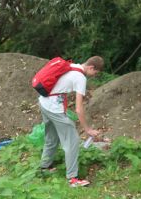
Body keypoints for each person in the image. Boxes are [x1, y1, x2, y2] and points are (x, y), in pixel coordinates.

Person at [38, 56, 103, 187]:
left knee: (52, 136)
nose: (94, 76)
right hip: (54, 107)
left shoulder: (71, 66)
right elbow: (79, 109)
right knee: (72, 140)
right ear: (91, 67)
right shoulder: (80, 78)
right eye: (95, 73)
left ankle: (44, 167)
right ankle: (73, 179)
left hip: (43, 102)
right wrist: (87, 129)